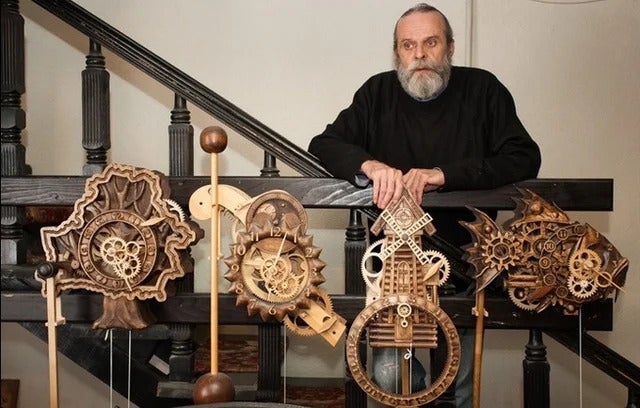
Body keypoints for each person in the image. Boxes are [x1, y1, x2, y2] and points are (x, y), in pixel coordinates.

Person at [308, 3, 541, 407]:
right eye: (408, 45)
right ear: (396, 52)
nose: (419, 55)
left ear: (450, 47)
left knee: (460, 387)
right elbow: (324, 144)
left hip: (465, 266)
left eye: (430, 43)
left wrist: (444, 175)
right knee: (388, 376)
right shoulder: (377, 92)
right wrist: (370, 165)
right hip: (392, 268)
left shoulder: (483, 89)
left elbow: (524, 157)